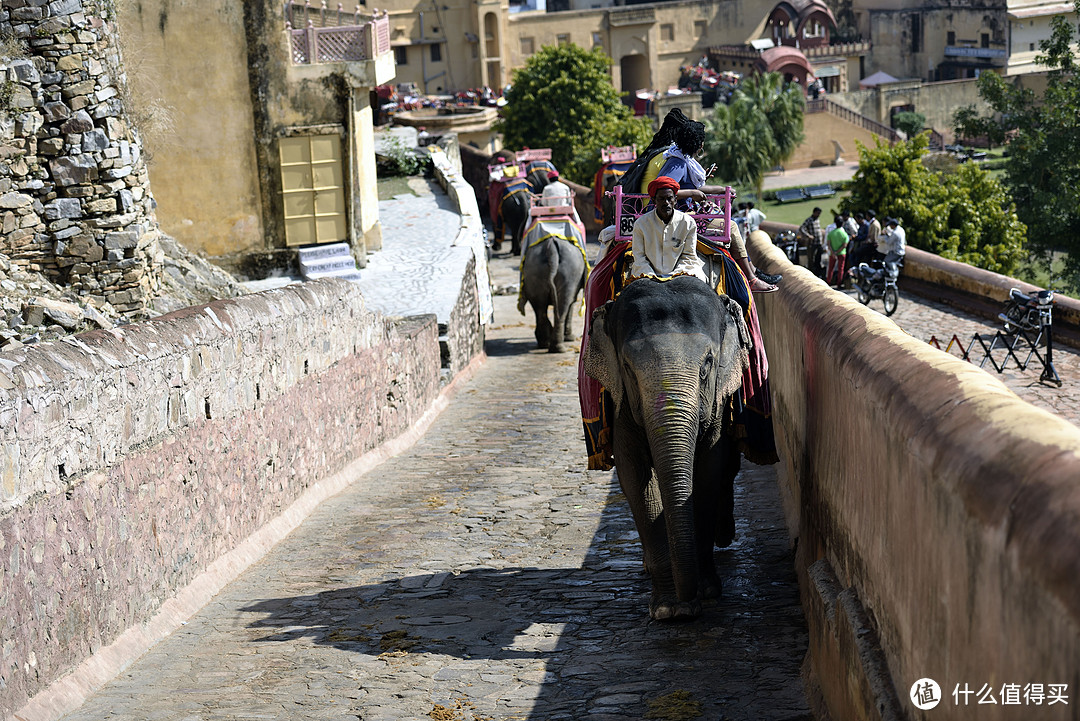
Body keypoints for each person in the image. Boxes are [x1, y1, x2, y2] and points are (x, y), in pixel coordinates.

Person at [630, 176, 707, 283]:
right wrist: (651, 276)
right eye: (661, 199)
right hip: (647, 274)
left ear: (675, 200)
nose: (666, 202)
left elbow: (689, 256)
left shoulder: (688, 223)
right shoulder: (641, 224)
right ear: (654, 200)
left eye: (669, 198)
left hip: (683, 272)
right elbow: (639, 257)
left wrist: (674, 277)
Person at [797, 207, 824, 275]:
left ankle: (818, 271)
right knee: (811, 258)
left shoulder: (817, 220)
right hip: (812, 243)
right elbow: (802, 228)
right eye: (817, 213)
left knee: (819, 257)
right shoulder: (809, 220)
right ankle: (811, 272)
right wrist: (808, 235)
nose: (818, 215)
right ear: (814, 212)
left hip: (819, 242)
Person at [825, 220, 849, 287]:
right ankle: (839, 283)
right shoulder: (844, 234)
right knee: (840, 269)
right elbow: (844, 245)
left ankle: (828, 282)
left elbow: (828, 244)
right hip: (841, 253)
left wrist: (833, 253)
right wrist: (837, 252)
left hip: (832, 253)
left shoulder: (831, 233)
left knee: (830, 268)